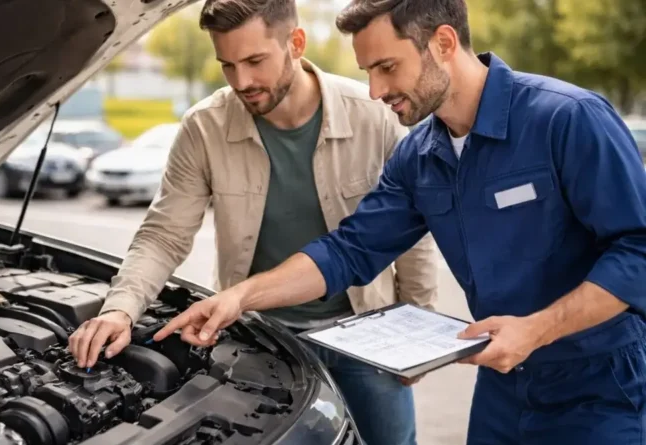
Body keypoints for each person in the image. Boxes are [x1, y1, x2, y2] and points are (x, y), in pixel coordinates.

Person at [152, 0, 646, 443]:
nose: (374, 90)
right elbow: (349, 250)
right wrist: (239, 297)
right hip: (504, 384)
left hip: (600, 384)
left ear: (444, 42)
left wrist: (536, 330)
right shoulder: (418, 155)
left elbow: (638, 249)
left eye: (387, 67)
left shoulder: (567, 119)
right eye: (368, 71)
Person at [67, 0, 440, 443]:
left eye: (255, 61)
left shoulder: (373, 115)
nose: (241, 81)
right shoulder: (203, 128)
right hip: (260, 337)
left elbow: (411, 234)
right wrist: (120, 308)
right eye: (227, 65)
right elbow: (164, 235)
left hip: (365, 333)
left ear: (295, 43)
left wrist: (418, 330)